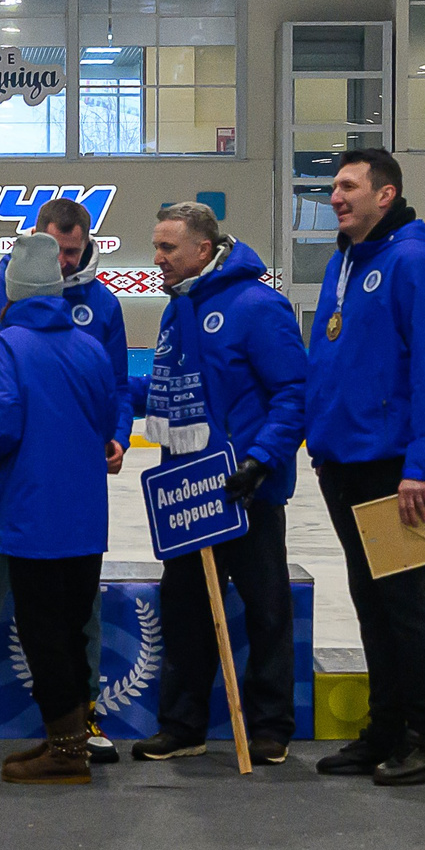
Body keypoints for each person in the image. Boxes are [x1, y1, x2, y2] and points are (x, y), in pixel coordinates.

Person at [0, 197, 130, 763]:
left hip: (66, 485)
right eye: (56, 251)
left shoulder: (100, 305)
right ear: (34, 240)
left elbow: (116, 389)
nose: (65, 262)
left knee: (78, 606)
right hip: (2, 483)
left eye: (74, 252)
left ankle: (81, 712)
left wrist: (117, 436)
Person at [127, 202, 310, 767]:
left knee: (267, 609)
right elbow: (172, 389)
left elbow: (294, 393)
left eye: (167, 248)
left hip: (246, 490)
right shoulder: (177, 310)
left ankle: (270, 727)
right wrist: (104, 387)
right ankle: (182, 725)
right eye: (156, 247)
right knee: (185, 609)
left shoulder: (257, 306)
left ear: (202, 249)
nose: (157, 258)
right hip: (189, 492)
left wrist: (260, 461)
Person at [305, 147, 425, 787]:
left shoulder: (416, 262)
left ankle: (424, 739)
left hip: (398, 467)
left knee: (404, 604)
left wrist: (424, 463)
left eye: (349, 186)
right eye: (334, 187)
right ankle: (385, 729)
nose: (336, 197)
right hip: (344, 461)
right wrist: (321, 442)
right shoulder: (344, 261)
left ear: (385, 194)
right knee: (371, 603)